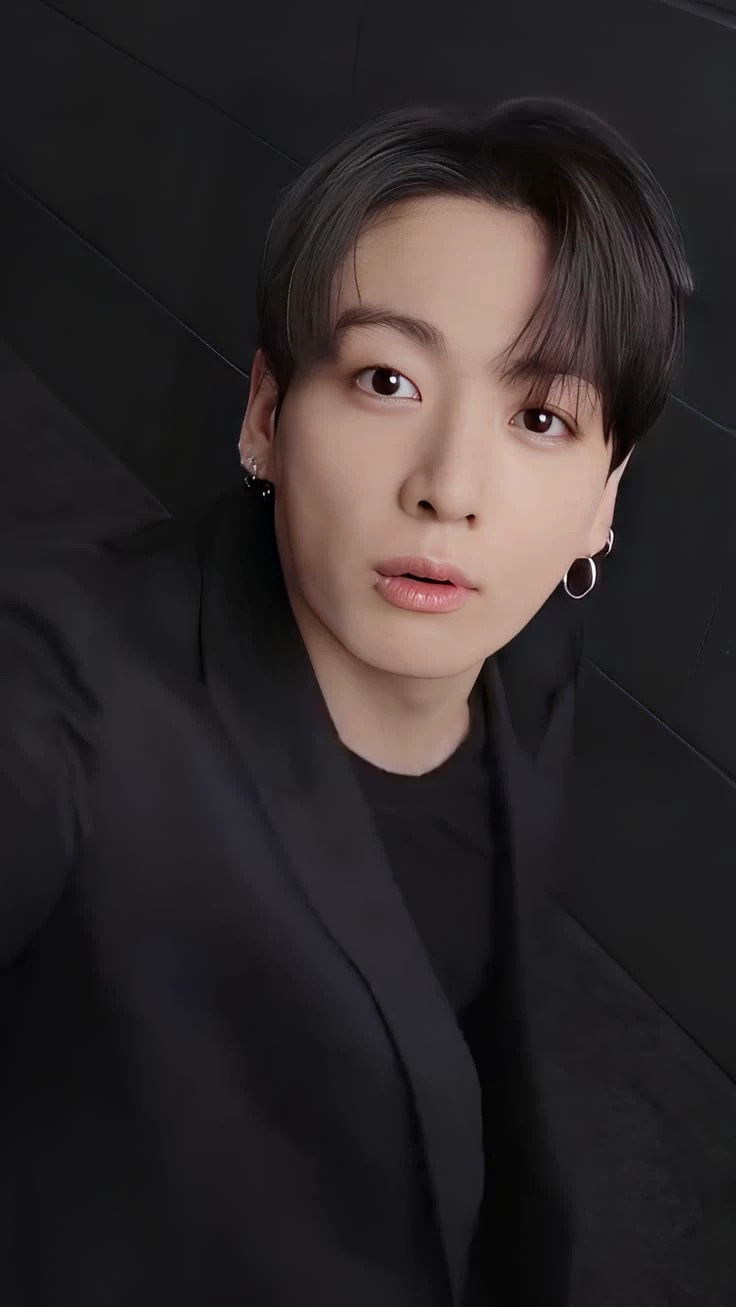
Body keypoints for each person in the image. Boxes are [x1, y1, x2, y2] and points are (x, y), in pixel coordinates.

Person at [0, 98, 691, 1307]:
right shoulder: (67, 698)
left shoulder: (527, 657)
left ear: (603, 501)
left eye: (540, 416)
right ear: (267, 413)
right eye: (386, 378)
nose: (449, 486)